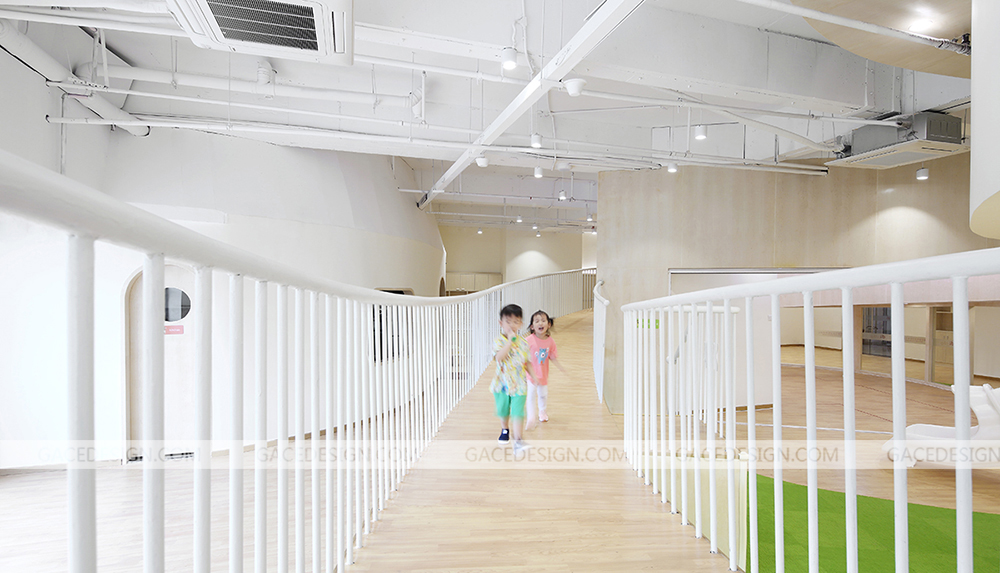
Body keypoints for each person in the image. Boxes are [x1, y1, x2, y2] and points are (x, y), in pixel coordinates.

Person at [491, 304, 532, 454]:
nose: (512, 325)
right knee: (503, 410)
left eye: (516, 321)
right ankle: (504, 429)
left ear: (521, 324)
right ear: (501, 323)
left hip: (519, 384)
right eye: (508, 321)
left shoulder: (524, 343)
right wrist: (509, 342)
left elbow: (526, 362)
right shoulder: (498, 341)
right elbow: (499, 358)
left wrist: (534, 377)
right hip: (501, 384)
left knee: (518, 412)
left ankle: (518, 441)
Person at [525, 310, 567, 428]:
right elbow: (522, 355)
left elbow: (552, 356)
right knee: (531, 394)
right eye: (537, 321)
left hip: (543, 374)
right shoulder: (528, 340)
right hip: (531, 375)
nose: (540, 323)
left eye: (543, 321)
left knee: (543, 394)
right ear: (532, 326)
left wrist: (560, 367)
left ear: (549, 324)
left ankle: (542, 411)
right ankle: (531, 416)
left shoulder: (550, 341)